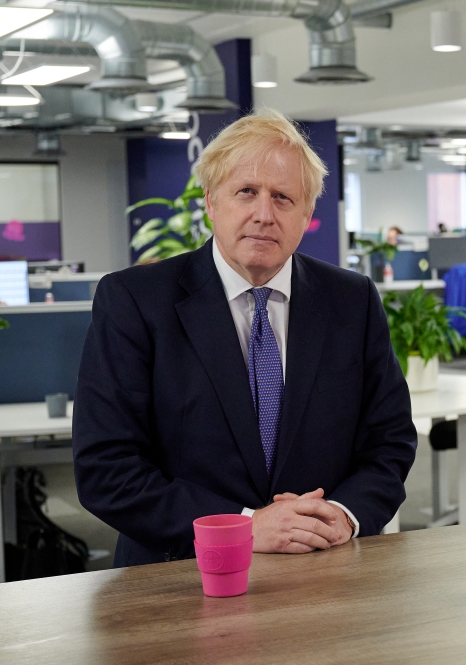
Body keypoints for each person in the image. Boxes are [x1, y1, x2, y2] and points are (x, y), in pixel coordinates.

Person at [73, 109, 418, 566]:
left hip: (321, 578)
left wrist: (345, 514)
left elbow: (389, 441)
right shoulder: (135, 302)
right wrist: (242, 525)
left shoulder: (351, 301)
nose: (264, 214)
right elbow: (106, 470)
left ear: (307, 214)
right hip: (176, 581)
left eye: (282, 198)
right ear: (212, 201)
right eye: (246, 192)